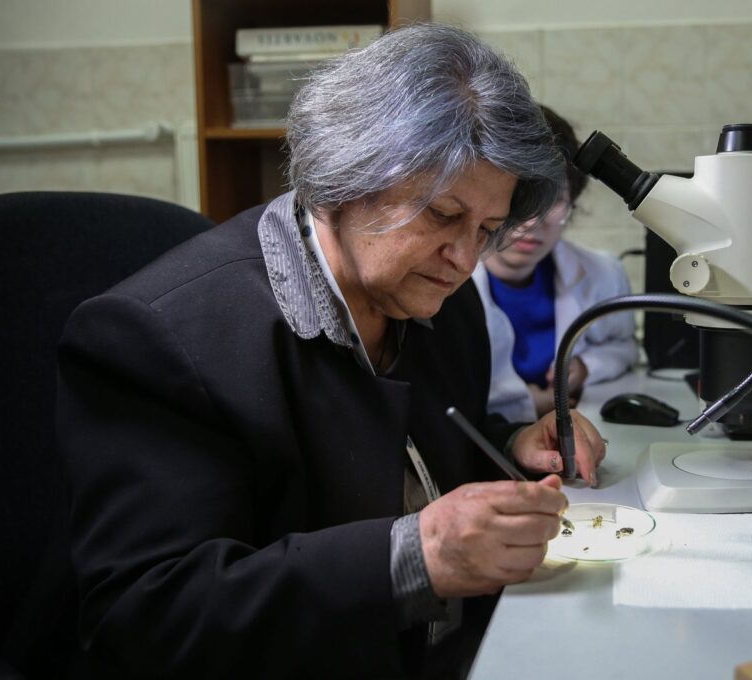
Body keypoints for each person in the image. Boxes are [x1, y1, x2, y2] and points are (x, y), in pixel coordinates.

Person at [55, 24, 606, 679]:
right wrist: (416, 555)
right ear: (350, 173)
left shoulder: (439, 297)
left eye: (486, 230)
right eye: (441, 215)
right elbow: (145, 616)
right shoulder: (158, 338)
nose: (464, 259)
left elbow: (406, 450)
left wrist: (512, 443)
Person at [473, 106, 639, 422]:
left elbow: (626, 347)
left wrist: (587, 368)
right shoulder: (447, 280)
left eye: (553, 200)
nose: (532, 221)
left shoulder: (602, 273)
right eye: (520, 198)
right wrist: (531, 404)